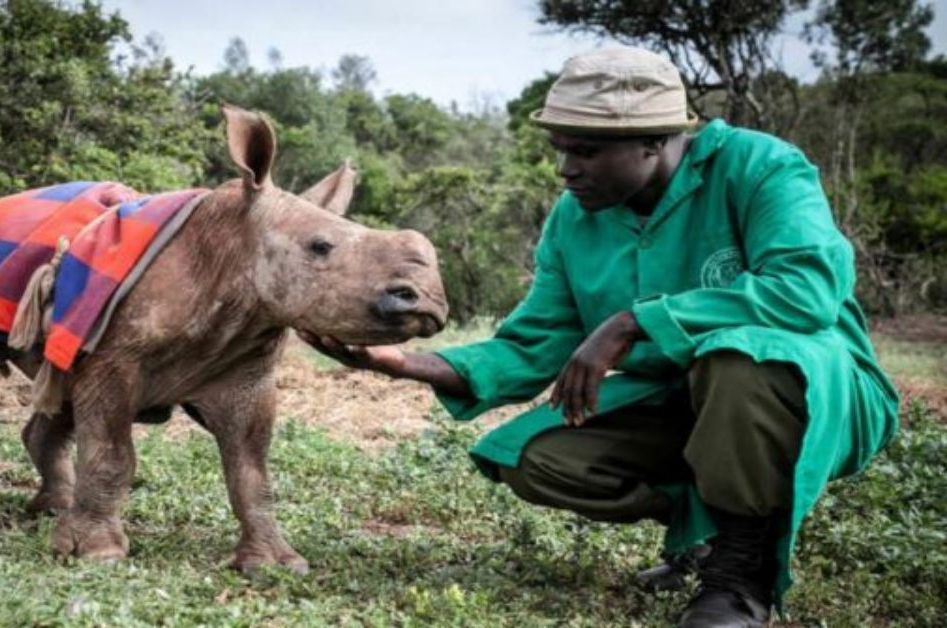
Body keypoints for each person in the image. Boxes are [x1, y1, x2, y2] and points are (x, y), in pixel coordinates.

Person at [301, 47, 899, 628]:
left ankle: (742, 578)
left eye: (585, 151)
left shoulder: (760, 167)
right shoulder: (574, 218)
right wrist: (403, 363)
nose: (566, 170)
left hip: (817, 391)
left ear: (656, 141)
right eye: (560, 149)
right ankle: (707, 532)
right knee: (540, 459)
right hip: (687, 403)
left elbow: (806, 290)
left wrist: (631, 321)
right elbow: (535, 341)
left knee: (737, 358)